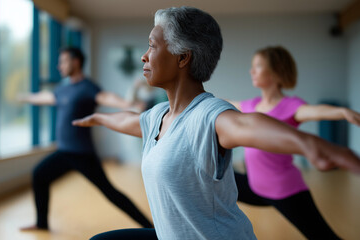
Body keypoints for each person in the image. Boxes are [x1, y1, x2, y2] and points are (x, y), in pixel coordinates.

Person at [72, 7, 360, 240]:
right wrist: (99, 118)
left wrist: (307, 144)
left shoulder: (209, 115)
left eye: (151, 46)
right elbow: (130, 120)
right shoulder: (158, 116)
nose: (145, 56)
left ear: (183, 58)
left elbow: (246, 125)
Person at [225, 46, 360, 239]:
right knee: (214, 176)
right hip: (254, 186)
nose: (251, 71)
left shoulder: (290, 106)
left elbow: (314, 110)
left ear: (275, 70)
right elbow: (225, 102)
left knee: (323, 236)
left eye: (257, 66)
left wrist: (342, 112)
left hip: (284, 190)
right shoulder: (250, 106)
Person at [18, 47, 153, 231]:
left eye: (63, 61)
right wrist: (26, 97)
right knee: (39, 175)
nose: (59, 66)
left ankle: (149, 228)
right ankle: (42, 223)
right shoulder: (63, 89)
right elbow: (46, 97)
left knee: (110, 192)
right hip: (64, 152)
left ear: (76, 62)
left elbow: (106, 97)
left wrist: (127, 104)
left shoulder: (87, 87)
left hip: (82, 154)